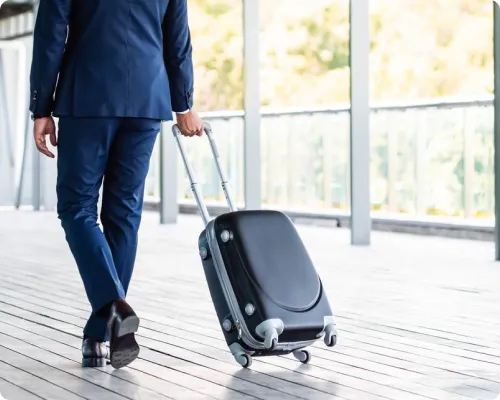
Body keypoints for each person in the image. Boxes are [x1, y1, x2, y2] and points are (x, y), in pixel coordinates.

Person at [29, 0, 203, 369]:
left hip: (87, 97)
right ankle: (99, 337)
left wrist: (41, 107)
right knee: (123, 215)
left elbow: (50, 36)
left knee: (76, 208)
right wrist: (183, 103)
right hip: (147, 98)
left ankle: (113, 308)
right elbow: (178, 40)